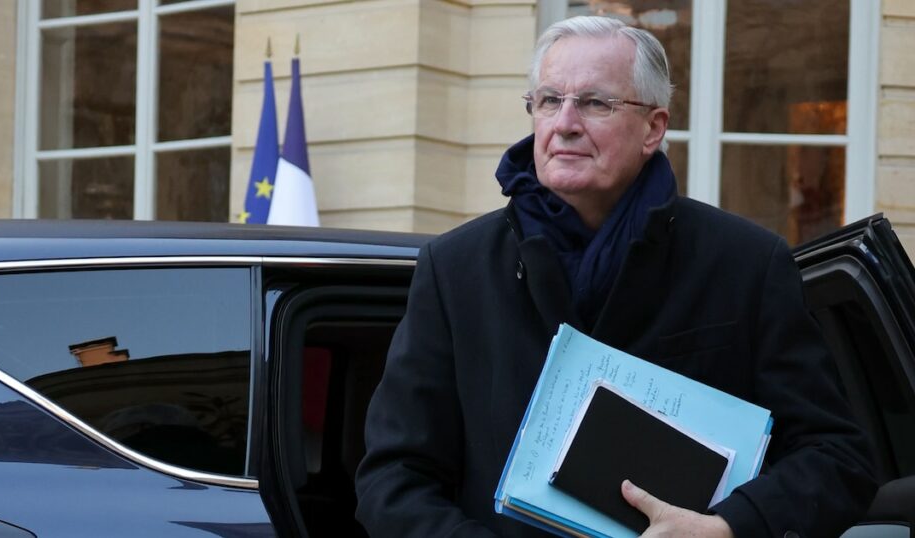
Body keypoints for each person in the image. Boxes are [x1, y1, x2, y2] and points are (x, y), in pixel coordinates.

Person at [355, 15, 878, 538]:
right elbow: (392, 478)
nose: (564, 123)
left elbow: (837, 458)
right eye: (548, 100)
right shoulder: (455, 268)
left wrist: (725, 528)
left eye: (595, 103)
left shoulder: (745, 262)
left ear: (653, 127)